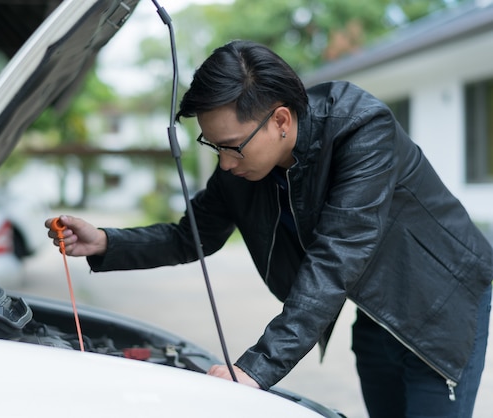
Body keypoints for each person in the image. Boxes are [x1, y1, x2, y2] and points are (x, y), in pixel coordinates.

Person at [46, 40, 492, 418]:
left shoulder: (361, 129)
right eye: (212, 145)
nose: (224, 163)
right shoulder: (239, 168)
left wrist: (256, 368)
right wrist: (105, 241)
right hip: (376, 309)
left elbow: (336, 259)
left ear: (280, 121)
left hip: (442, 302)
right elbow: (191, 236)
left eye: (232, 147)